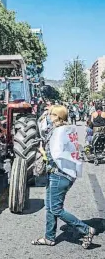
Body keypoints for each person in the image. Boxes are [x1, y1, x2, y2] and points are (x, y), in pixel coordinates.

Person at [32, 105, 96, 248]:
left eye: (52, 114)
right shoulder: (68, 129)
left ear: (58, 117)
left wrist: (42, 151)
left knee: (55, 208)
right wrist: (45, 114)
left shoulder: (57, 132)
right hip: (63, 173)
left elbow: (51, 154)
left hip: (58, 174)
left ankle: (86, 230)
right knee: (49, 206)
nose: (49, 116)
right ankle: (49, 237)